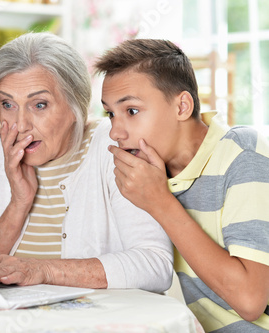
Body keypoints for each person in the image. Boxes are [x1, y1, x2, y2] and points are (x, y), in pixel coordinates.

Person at [0, 32, 173, 292]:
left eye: (39, 105)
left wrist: (43, 270)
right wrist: (18, 203)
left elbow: (155, 266)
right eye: (7, 104)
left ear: (75, 105)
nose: (21, 125)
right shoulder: (0, 155)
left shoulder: (115, 146)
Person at [95, 39, 269, 331]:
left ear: (182, 106)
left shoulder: (243, 156)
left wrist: (161, 204)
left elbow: (250, 300)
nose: (115, 131)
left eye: (132, 111)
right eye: (110, 113)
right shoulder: (151, 169)